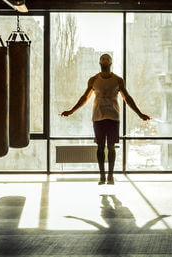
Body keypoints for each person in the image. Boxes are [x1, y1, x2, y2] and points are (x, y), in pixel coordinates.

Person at [60, 53, 150, 184]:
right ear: (99, 63)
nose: (104, 61)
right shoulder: (93, 80)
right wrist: (71, 111)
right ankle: (102, 175)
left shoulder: (118, 80)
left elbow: (127, 98)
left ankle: (111, 176)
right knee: (100, 147)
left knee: (112, 147)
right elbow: (84, 98)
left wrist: (139, 114)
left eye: (107, 59)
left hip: (113, 117)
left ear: (111, 63)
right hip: (98, 117)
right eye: (102, 59)